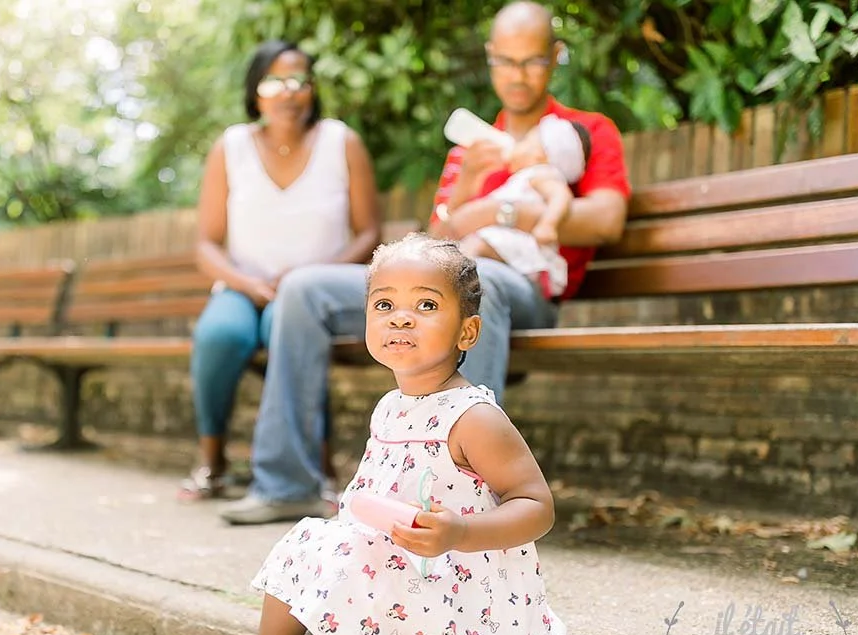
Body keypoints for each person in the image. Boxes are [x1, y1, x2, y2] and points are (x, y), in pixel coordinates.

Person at [218, 1, 629, 526]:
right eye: (505, 61)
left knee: (477, 280)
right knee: (303, 289)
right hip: (453, 283)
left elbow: (605, 220)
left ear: (556, 56)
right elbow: (435, 253)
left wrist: (503, 209)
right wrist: (466, 189)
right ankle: (286, 485)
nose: (517, 75)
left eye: (532, 61)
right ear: (489, 60)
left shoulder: (582, 131)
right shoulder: (472, 144)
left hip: (523, 291)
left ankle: (461, 497)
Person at [174, 235, 565, 635]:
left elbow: (537, 506)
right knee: (308, 538)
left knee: (361, 561)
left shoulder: (473, 417)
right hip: (405, 564)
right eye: (385, 305)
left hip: (464, 591)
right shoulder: (390, 406)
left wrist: (462, 531)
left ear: (467, 330)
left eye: (426, 305)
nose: (401, 318)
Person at [180, 39, 381, 501]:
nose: (287, 92)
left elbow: (369, 233)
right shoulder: (230, 146)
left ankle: (320, 466)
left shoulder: (340, 141)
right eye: (274, 81)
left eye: (298, 80)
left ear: (311, 90)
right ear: (256, 92)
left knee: (289, 331)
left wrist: (310, 278)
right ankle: (211, 459)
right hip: (242, 286)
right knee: (219, 336)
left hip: (308, 292)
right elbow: (207, 244)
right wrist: (246, 284)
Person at [466, 114, 591, 299]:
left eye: (525, 141)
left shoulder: (541, 174)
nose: (516, 144)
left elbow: (561, 196)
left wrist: (548, 224)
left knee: (472, 246)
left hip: (522, 245)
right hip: (506, 245)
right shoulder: (522, 178)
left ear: (539, 155)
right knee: (470, 246)